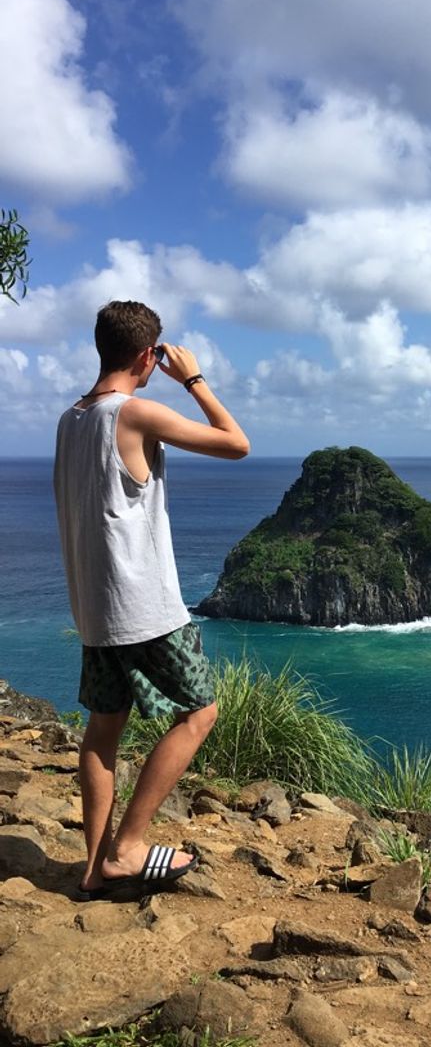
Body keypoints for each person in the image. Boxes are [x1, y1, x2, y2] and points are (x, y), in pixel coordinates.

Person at [53, 300, 249, 899]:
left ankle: (92, 869)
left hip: (94, 608)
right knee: (200, 714)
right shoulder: (134, 414)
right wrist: (192, 379)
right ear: (148, 355)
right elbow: (236, 443)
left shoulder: (70, 418)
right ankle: (128, 848)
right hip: (145, 607)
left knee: (103, 730)